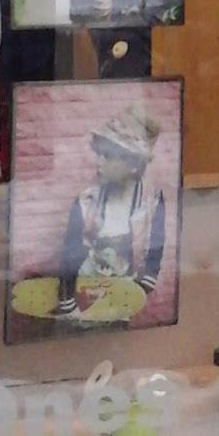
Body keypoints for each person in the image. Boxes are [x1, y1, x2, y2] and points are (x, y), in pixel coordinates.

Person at [54, 112, 166, 319]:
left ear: (133, 163)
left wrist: (133, 293)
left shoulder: (152, 201)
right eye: (98, 153)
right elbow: (70, 258)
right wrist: (69, 305)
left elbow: (154, 254)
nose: (98, 161)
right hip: (83, 291)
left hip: (123, 295)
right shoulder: (86, 202)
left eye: (108, 155)